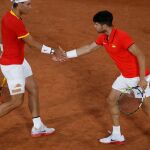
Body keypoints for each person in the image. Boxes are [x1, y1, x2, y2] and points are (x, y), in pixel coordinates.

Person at [58, 10, 150, 144]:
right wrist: (66, 54)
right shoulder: (104, 38)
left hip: (139, 77)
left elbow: (140, 55)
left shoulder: (122, 37)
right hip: (125, 77)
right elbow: (88, 48)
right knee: (111, 100)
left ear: (104, 25)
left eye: (96, 24)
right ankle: (117, 135)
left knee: (146, 107)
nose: (94, 27)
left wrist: (142, 79)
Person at [0, 0, 64, 137]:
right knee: (16, 102)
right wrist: (54, 51)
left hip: (20, 61)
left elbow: (5, 36)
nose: (31, 7)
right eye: (28, 4)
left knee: (33, 88)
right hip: (12, 65)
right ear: (19, 5)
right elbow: (32, 43)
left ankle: (38, 126)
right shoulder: (14, 22)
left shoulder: (11, 16)